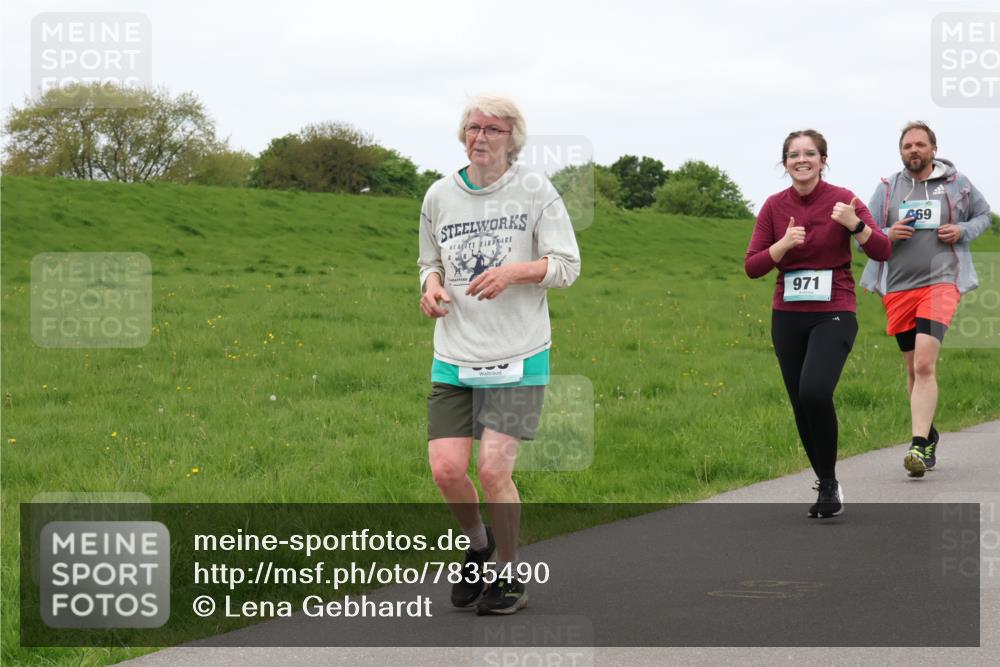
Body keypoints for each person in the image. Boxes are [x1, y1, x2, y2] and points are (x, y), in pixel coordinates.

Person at [418, 95, 580, 614]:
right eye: (472, 127)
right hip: (455, 355)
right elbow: (428, 261)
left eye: (493, 129)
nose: (480, 136)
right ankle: (477, 545)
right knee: (446, 469)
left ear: (513, 139)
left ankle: (510, 575)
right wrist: (431, 286)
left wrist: (514, 271)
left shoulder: (535, 191)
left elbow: (567, 265)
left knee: (492, 470)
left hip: (519, 354)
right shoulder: (439, 195)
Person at [745, 129, 891, 518]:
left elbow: (882, 249)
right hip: (787, 315)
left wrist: (854, 225)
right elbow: (752, 266)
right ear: (785, 163)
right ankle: (827, 483)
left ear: (823, 160)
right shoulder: (774, 207)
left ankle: (827, 481)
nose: (801, 159)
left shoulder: (845, 200)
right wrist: (783, 245)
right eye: (793, 154)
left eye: (810, 153)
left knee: (814, 391)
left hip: (835, 310)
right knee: (799, 402)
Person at [859, 121, 992, 478]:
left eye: (920, 144)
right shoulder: (888, 188)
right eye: (907, 146)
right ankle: (928, 431)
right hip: (899, 288)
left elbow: (984, 216)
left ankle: (918, 445)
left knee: (923, 365)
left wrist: (962, 230)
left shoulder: (957, 183)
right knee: (911, 369)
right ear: (901, 152)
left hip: (941, 281)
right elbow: (865, 235)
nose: (913, 150)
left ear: (933, 148)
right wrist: (889, 232)